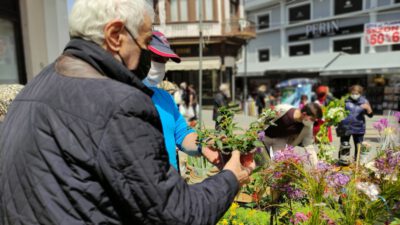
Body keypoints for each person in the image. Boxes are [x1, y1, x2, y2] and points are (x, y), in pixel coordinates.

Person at [0, 1, 254, 224]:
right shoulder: (120, 103)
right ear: (114, 35)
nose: (147, 55)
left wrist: (202, 144)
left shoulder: (37, 85)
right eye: (144, 42)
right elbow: (178, 215)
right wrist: (231, 178)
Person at [143, 30, 219, 170]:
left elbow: (182, 134)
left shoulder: (165, 98)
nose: (161, 65)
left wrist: (203, 145)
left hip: (171, 184)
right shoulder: (121, 96)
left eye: (164, 61)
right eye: (156, 58)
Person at [337, 85, 373, 164]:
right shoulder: (345, 100)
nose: (354, 95)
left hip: (359, 128)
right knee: (344, 146)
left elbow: (370, 115)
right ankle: (342, 162)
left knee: (359, 147)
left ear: (360, 93)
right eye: (353, 93)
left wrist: (368, 108)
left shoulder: (364, 101)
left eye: (356, 93)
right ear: (350, 93)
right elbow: (338, 112)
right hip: (345, 127)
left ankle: (357, 164)